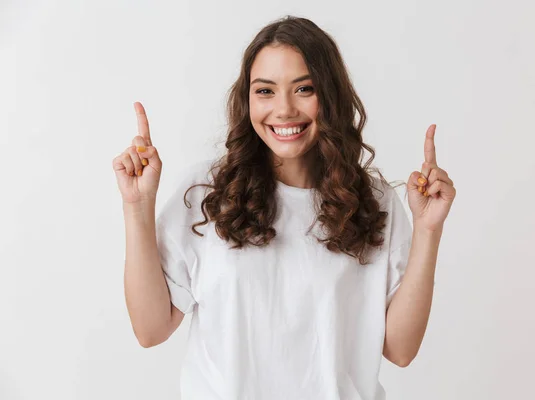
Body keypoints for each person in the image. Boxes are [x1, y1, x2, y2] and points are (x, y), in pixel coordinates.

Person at [112, 15, 456, 400]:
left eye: (304, 88)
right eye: (265, 91)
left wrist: (428, 231)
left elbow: (401, 349)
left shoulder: (374, 202)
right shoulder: (206, 193)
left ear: (331, 95)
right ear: (247, 100)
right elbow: (150, 329)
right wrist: (137, 206)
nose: (285, 109)